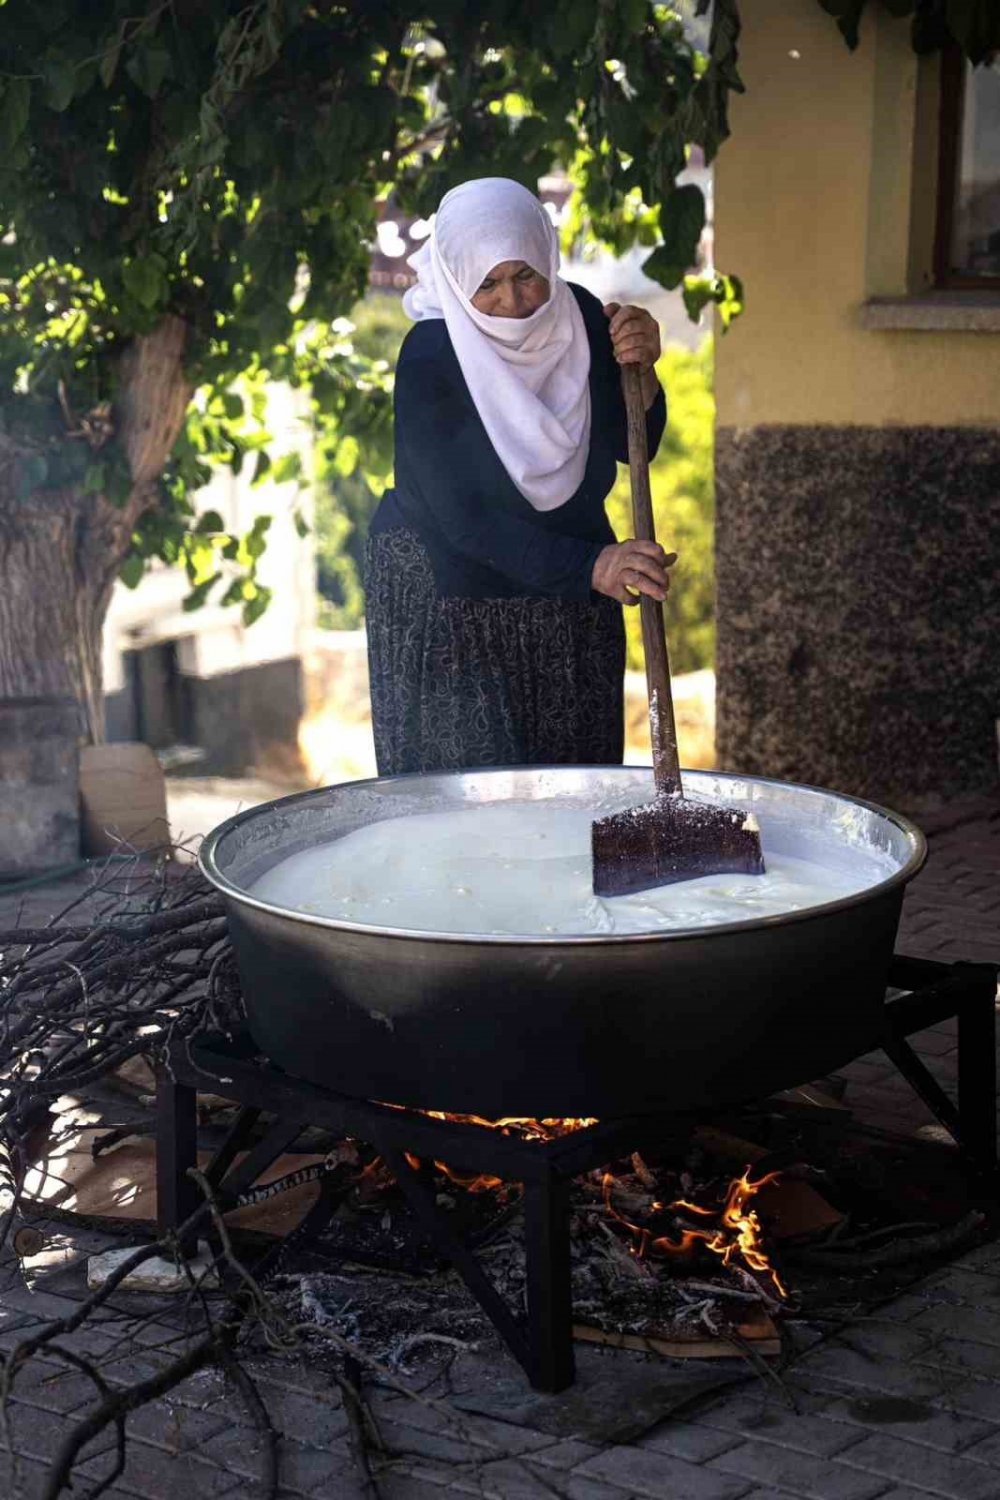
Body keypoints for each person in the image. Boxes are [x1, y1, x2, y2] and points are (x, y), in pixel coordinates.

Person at [365, 176, 671, 776]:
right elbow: (463, 521)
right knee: (474, 809)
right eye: (489, 283)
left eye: (527, 274)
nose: (514, 300)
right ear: (456, 278)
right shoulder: (431, 356)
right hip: (454, 602)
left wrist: (644, 373)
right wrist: (593, 566)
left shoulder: (582, 316)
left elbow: (631, 443)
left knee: (576, 791)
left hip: (570, 597)